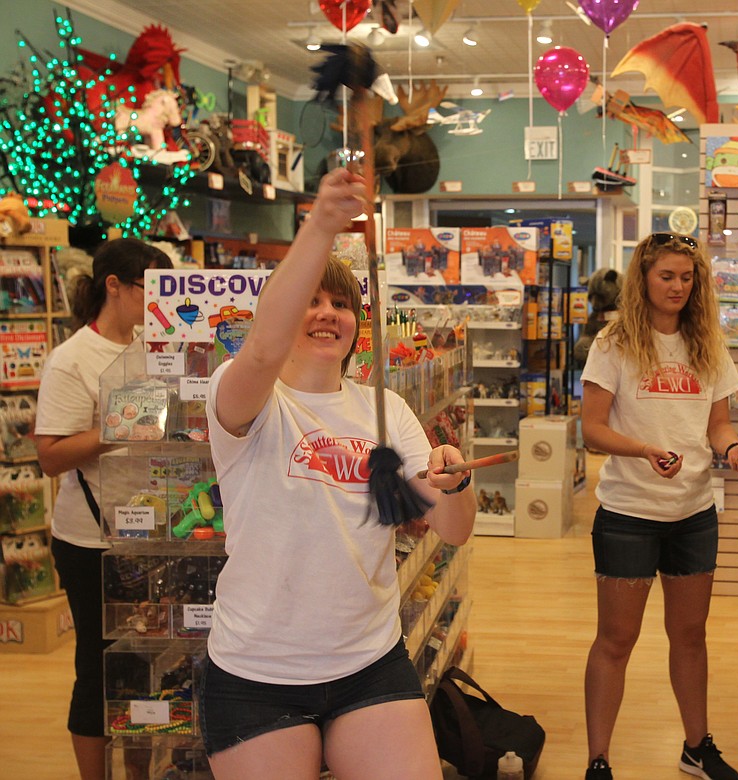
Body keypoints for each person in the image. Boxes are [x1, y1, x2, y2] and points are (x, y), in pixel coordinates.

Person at [198, 167, 475, 780]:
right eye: (311, 301)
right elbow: (264, 350)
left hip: (370, 663)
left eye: (340, 304)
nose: (326, 314)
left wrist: (455, 484)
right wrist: (322, 224)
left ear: (358, 323)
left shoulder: (386, 407)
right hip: (256, 673)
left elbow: (451, 528)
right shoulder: (246, 397)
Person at [579, 232, 738, 780]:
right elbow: (591, 431)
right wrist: (643, 450)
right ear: (644, 280)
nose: (678, 286)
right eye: (667, 276)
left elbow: (719, 426)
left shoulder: (708, 344)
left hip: (693, 515)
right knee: (616, 639)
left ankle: (695, 747)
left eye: (687, 277)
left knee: (690, 636)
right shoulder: (612, 344)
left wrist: (736, 449)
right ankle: (598, 759)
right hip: (628, 514)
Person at [35, 238, 174, 780]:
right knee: (96, 669)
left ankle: (138, 771)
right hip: (91, 542)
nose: (159, 300)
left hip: (151, 536)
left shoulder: (151, 344)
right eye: (151, 288)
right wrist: (122, 427)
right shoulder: (71, 360)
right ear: (113, 286)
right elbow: (50, 455)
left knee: (144, 665)